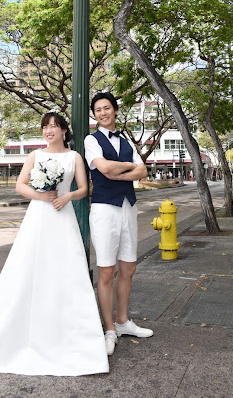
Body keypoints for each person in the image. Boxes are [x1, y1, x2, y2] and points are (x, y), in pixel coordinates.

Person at [0, 112, 108, 376]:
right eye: (45, 127)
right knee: (28, 269)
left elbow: (84, 188)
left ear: (64, 130)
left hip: (64, 216)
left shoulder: (75, 158)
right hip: (39, 217)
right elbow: (20, 185)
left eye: (54, 126)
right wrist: (40, 195)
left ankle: (72, 336)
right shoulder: (35, 156)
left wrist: (67, 196)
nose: (49, 130)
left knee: (66, 271)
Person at [84, 92, 153, 357]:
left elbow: (143, 171)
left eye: (107, 108)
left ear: (115, 111)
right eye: (98, 110)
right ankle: (109, 328)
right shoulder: (92, 140)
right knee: (106, 271)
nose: (102, 113)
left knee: (129, 267)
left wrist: (118, 169)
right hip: (104, 210)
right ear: (95, 114)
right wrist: (127, 169)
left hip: (128, 207)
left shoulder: (126, 141)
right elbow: (104, 170)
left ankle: (123, 322)